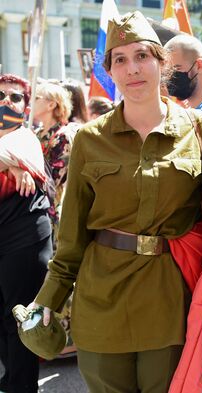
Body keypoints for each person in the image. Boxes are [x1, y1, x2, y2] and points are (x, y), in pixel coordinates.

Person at [29, 11, 202, 393]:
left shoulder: (200, 129)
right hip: (103, 299)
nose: (132, 68)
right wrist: (48, 300)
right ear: (110, 71)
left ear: (162, 64)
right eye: (120, 59)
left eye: (142, 56)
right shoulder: (90, 138)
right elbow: (72, 235)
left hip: (170, 300)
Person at [0, 74, 53, 393]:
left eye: (15, 97)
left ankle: (22, 386)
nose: (6, 100)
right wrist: (12, 167)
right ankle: (11, 378)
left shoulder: (25, 139)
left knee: (19, 314)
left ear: (26, 106)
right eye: (1, 94)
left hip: (24, 237)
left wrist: (16, 164)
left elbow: (18, 153)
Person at [33, 81, 75, 230]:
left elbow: (54, 179)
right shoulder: (36, 133)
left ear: (51, 105)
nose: (31, 100)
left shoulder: (63, 136)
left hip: (50, 211)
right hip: (31, 208)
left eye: (36, 97)